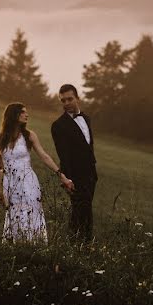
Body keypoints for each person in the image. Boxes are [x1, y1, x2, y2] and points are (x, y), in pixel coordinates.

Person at [0, 102, 74, 243]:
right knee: (13, 214)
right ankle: (15, 248)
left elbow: (44, 156)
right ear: (14, 115)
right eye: (23, 112)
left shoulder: (29, 136)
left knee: (30, 213)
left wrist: (61, 175)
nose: (27, 115)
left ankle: (32, 247)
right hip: (10, 183)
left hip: (28, 182)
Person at [50, 84, 97, 241]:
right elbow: (63, 155)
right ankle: (78, 246)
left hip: (91, 175)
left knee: (85, 211)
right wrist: (67, 179)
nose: (66, 103)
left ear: (78, 98)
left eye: (70, 99)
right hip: (74, 177)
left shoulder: (87, 119)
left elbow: (88, 147)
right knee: (80, 212)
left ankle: (82, 246)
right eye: (63, 100)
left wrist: (93, 173)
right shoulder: (58, 126)